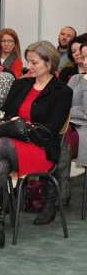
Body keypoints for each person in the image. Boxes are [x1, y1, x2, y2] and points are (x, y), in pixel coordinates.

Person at [0, 41, 72, 253]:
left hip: (40, 149)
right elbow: (7, 116)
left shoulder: (62, 91)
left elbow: (52, 128)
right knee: (0, 164)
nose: (29, 66)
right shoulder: (21, 85)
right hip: (13, 144)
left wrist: (24, 127)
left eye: (34, 62)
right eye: (28, 61)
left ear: (49, 63)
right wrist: (16, 124)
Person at [58, 42, 87, 204]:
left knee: (64, 136)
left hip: (84, 129)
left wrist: (70, 111)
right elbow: (63, 103)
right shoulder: (75, 78)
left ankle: (63, 189)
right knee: (53, 132)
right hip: (69, 125)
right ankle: (46, 187)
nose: (85, 61)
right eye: (83, 57)